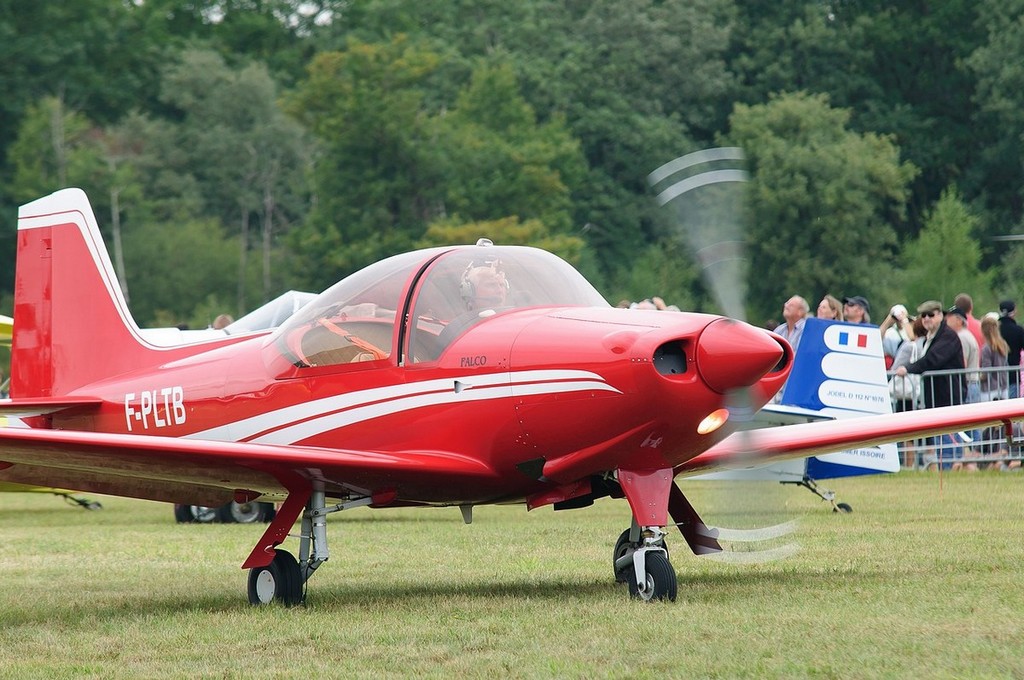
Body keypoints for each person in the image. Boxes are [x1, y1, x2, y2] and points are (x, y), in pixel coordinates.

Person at [895, 300, 966, 469]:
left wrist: (909, 368)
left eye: (931, 315)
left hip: (948, 397)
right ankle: (946, 468)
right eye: (924, 315)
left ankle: (951, 470)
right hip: (937, 397)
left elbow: (932, 360)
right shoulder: (931, 337)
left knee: (949, 440)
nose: (927, 319)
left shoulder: (948, 336)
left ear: (940, 316)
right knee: (940, 438)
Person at [946, 306, 980, 404]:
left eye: (950, 317)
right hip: (971, 383)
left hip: (968, 384)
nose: (947, 320)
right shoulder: (966, 334)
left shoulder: (961, 337)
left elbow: (962, 362)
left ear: (959, 321)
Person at [998, 300, 1024, 399]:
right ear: (1014, 312)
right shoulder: (1018, 330)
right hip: (1013, 375)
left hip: (995, 377)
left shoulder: (995, 330)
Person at [878, 303, 914, 369]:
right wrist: (889, 320)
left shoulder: (911, 327)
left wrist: (904, 319)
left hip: (910, 363)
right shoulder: (890, 332)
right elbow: (877, 339)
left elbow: (912, 338)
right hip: (896, 365)